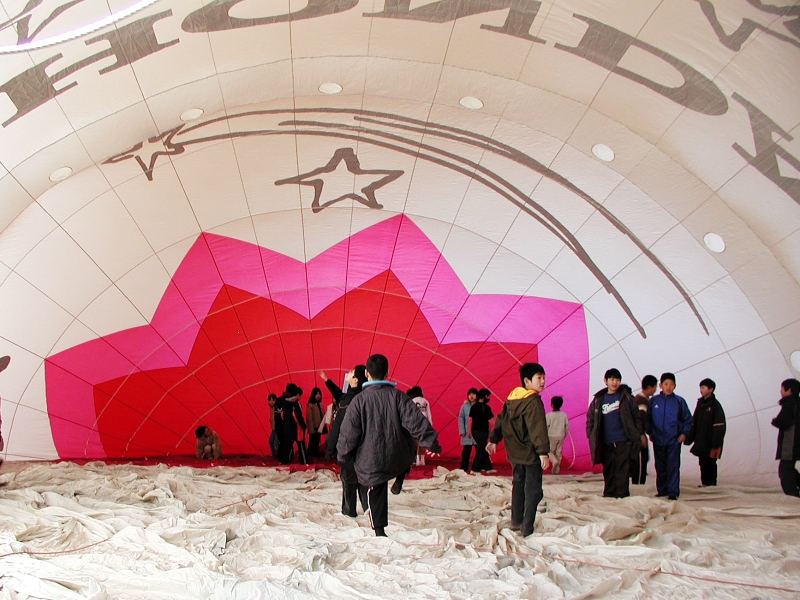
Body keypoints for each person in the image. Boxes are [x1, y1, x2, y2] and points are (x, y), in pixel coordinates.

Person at [337, 354, 442, 537]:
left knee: (376, 485)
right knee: (407, 446)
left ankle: (380, 531)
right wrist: (431, 444)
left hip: (371, 458)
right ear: (387, 373)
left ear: (367, 373)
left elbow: (348, 433)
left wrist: (343, 455)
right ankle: (401, 475)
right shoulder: (399, 397)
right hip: (397, 455)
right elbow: (416, 421)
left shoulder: (359, 401)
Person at [487, 363, 550, 537]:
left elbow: (501, 420)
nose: (543, 381)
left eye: (544, 377)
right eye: (539, 378)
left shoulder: (511, 399)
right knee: (533, 490)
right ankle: (527, 527)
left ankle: (516, 521)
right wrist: (543, 452)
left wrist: (494, 439)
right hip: (530, 454)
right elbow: (538, 429)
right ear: (527, 381)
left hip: (515, 453)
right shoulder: (533, 402)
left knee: (518, 485)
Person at [586, 369, 643, 498]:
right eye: (612, 379)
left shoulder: (626, 398)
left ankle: (622, 494)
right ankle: (609, 493)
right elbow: (591, 418)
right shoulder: (598, 400)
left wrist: (637, 433)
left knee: (622, 468)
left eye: (617, 380)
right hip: (606, 441)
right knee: (609, 468)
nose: (614, 382)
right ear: (605, 381)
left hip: (624, 440)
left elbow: (636, 416)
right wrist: (590, 434)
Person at [321, 367, 369, 516]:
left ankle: (348, 511)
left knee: (348, 478)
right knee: (362, 478)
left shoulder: (348, 401)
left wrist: (330, 448)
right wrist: (327, 380)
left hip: (349, 446)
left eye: (352, 372)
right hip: (363, 446)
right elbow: (340, 396)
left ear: (355, 380)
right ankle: (369, 508)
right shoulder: (362, 396)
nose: (348, 373)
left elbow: (338, 425)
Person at [646, 373, 692, 500]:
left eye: (671, 384)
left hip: (674, 440)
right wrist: (650, 432)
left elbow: (687, 419)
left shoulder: (679, 401)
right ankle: (662, 490)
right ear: (661, 385)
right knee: (660, 466)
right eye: (666, 384)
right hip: (658, 439)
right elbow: (648, 419)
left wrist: (684, 433)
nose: (668, 387)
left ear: (675, 386)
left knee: (673, 466)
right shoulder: (654, 401)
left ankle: (673, 492)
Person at [686, 378, 727, 487]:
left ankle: (712, 484)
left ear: (711, 389)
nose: (701, 390)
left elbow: (719, 425)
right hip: (701, 440)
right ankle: (705, 483)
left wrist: (716, 443)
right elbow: (694, 422)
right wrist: (689, 438)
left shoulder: (715, 405)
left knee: (711, 462)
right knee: (703, 462)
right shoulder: (700, 403)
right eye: (700, 387)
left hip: (711, 441)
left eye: (703, 387)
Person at [771, 378, 800, 497]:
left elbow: (783, 421)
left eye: (782, 389)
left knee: (785, 470)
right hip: (795, 442)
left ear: (789, 390)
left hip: (790, 443)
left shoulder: (790, 404)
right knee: (789, 468)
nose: (780, 392)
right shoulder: (796, 403)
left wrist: (775, 421)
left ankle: (792, 495)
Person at [630, 375, 657, 485]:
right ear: (650, 387)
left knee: (643, 459)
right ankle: (639, 483)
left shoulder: (643, 399)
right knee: (641, 461)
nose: (655, 390)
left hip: (639, 434)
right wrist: (642, 435)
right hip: (638, 436)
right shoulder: (641, 401)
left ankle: (639, 481)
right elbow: (639, 420)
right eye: (655, 387)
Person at [275, 383, 307, 465]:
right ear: (297, 394)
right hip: (296, 427)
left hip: (286, 427)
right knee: (300, 444)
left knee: (287, 445)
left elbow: (281, 415)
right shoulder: (295, 403)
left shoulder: (284, 402)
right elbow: (297, 416)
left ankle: (284, 461)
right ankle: (304, 461)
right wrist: (303, 425)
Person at [469, 388, 496, 473]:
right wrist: (496, 428)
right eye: (488, 396)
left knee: (483, 449)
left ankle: (488, 467)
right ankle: (474, 468)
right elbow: (491, 421)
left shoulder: (474, 406)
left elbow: (470, 420)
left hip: (475, 431)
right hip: (483, 431)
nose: (488, 398)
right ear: (484, 396)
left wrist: (469, 431)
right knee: (481, 450)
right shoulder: (486, 407)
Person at [408, 386, 432, 466]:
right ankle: (423, 460)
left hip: (416, 424)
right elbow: (429, 414)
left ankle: (418, 460)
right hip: (425, 423)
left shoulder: (413, 401)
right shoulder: (426, 401)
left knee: (417, 442)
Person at [546, 396, 569, 474]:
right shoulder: (564, 415)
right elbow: (566, 426)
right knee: (558, 452)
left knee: (549, 451)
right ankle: (556, 469)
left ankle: (554, 462)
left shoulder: (549, 416)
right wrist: (564, 435)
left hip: (551, 436)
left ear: (552, 405)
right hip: (561, 436)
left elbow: (546, 426)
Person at [459, 388, 478, 472]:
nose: (471, 396)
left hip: (478, 431)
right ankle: (464, 466)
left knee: (479, 450)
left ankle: (477, 467)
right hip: (467, 432)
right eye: (470, 394)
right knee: (466, 450)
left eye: (473, 394)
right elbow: (461, 418)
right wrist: (462, 431)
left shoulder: (480, 405)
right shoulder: (465, 406)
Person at [306, 387, 324, 458]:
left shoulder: (320, 405)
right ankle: (310, 454)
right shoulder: (310, 405)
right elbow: (309, 418)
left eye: (319, 394)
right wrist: (311, 429)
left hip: (319, 426)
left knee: (317, 440)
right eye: (316, 394)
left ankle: (316, 453)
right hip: (314, 427)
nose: (318, 395)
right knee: (312, 441)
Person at [267, 393, 279, 458]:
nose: (271, 402)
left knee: (276, 442)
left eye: (273, 400)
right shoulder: (271, 408)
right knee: (271, 441)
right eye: (270, 400)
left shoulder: (277, 408)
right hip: (274, 428)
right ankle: (274, 455)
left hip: (278, 427)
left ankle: (277, 456)